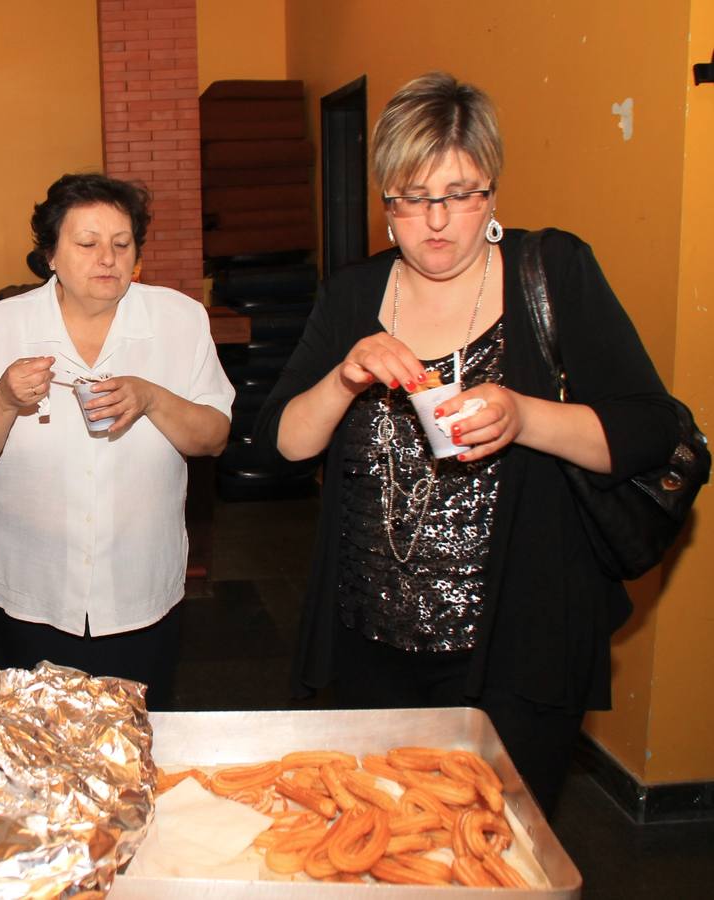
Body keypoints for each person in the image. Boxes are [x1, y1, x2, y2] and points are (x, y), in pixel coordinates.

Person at [253, 73, 681, 816]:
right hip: (372, 642)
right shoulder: (354, 294)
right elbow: (282, 444)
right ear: (386, 202)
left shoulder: (552, 272)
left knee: (493, 842)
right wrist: (344, 378)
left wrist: (524, 415)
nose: (436, 221)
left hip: (520, 644)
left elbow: (649, 430)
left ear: (493, 189)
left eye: (459, 194)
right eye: (412, 198)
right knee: (384, 840)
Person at [0, 173, 235, 710]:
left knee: (132, 741)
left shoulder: (180, 319)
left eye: (122, 244)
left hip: (138, 584)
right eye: (87, 243)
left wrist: (152, 397)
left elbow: (214, 438)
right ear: (50, 255)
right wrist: (4, 398)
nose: (108, 258)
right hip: (32, 587)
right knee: (32, 741)